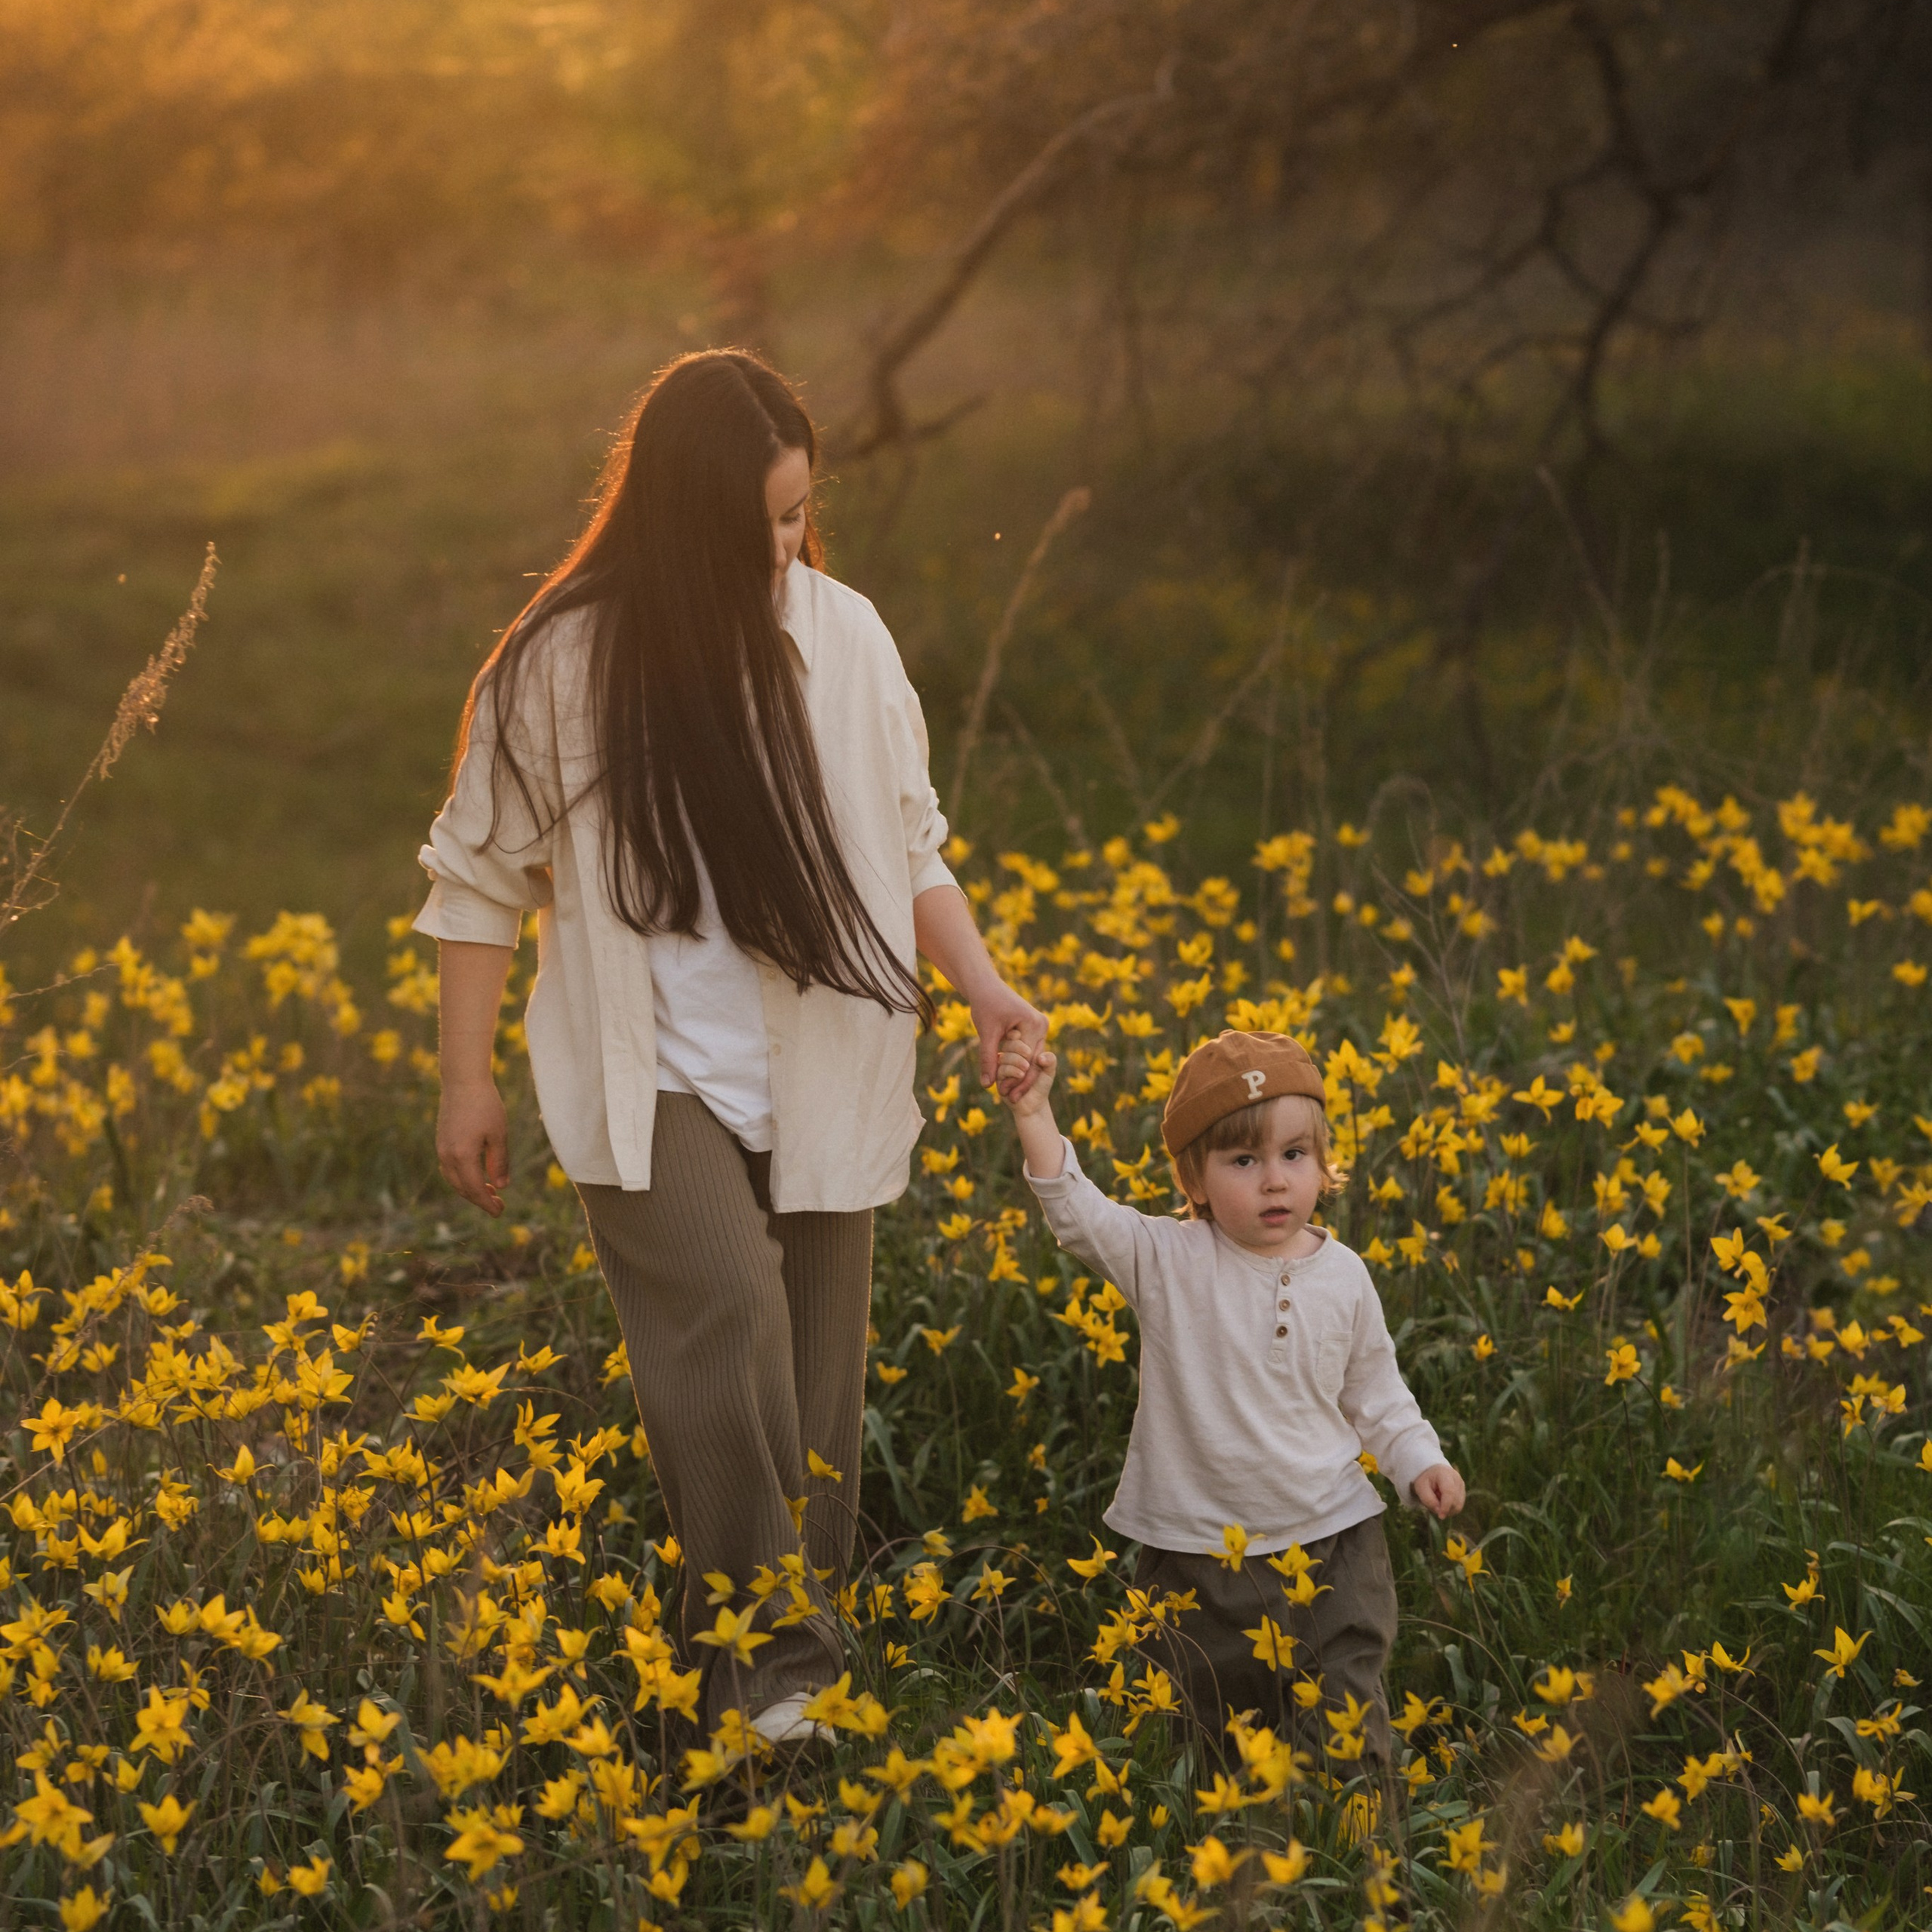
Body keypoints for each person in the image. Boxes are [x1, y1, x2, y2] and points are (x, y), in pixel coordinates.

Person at [415, 349, 1046, 1746]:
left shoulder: (847, 638)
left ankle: (750, 1704)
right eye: (760, 520)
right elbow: (476, 881)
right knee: (728, 1321)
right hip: (653, 1082)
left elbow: (912, 839)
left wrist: (989, 989)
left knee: (812, 1407)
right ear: (682, 518)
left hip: (828, 1061)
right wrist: (466, 1082)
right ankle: (780, 1671)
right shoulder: (561, 662)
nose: (787, 544)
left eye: (799, 511)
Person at [996, 1025, 1463, 1764]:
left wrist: (1418, 1460)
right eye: (1243, 1159)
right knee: (1198, 1730)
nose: (1274, 1179)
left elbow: (1376, 1391)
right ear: (1194, 1177)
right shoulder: (1167, 1259)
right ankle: (1221, 1861)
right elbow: (1080, 1215)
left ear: (1321, 1160)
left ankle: (1358, 1855)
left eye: (1293, 1154)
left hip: (1332, 1539)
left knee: (1345, 1717)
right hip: (1196, 1552)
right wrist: (1033, 1115)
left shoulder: (1344, 1274)